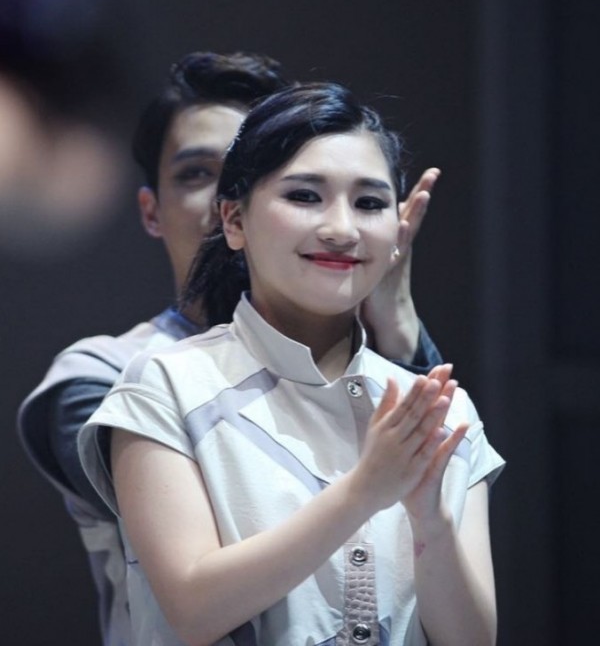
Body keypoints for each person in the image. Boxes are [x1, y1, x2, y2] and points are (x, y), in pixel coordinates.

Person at [17, 54, 443, 646]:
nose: (226, 192)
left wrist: (394, 315)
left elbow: (428, 519)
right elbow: (221, 536)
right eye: (198, 173)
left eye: (258, 167)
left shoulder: (368, 361)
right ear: (153, 211)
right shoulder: (103, 375)